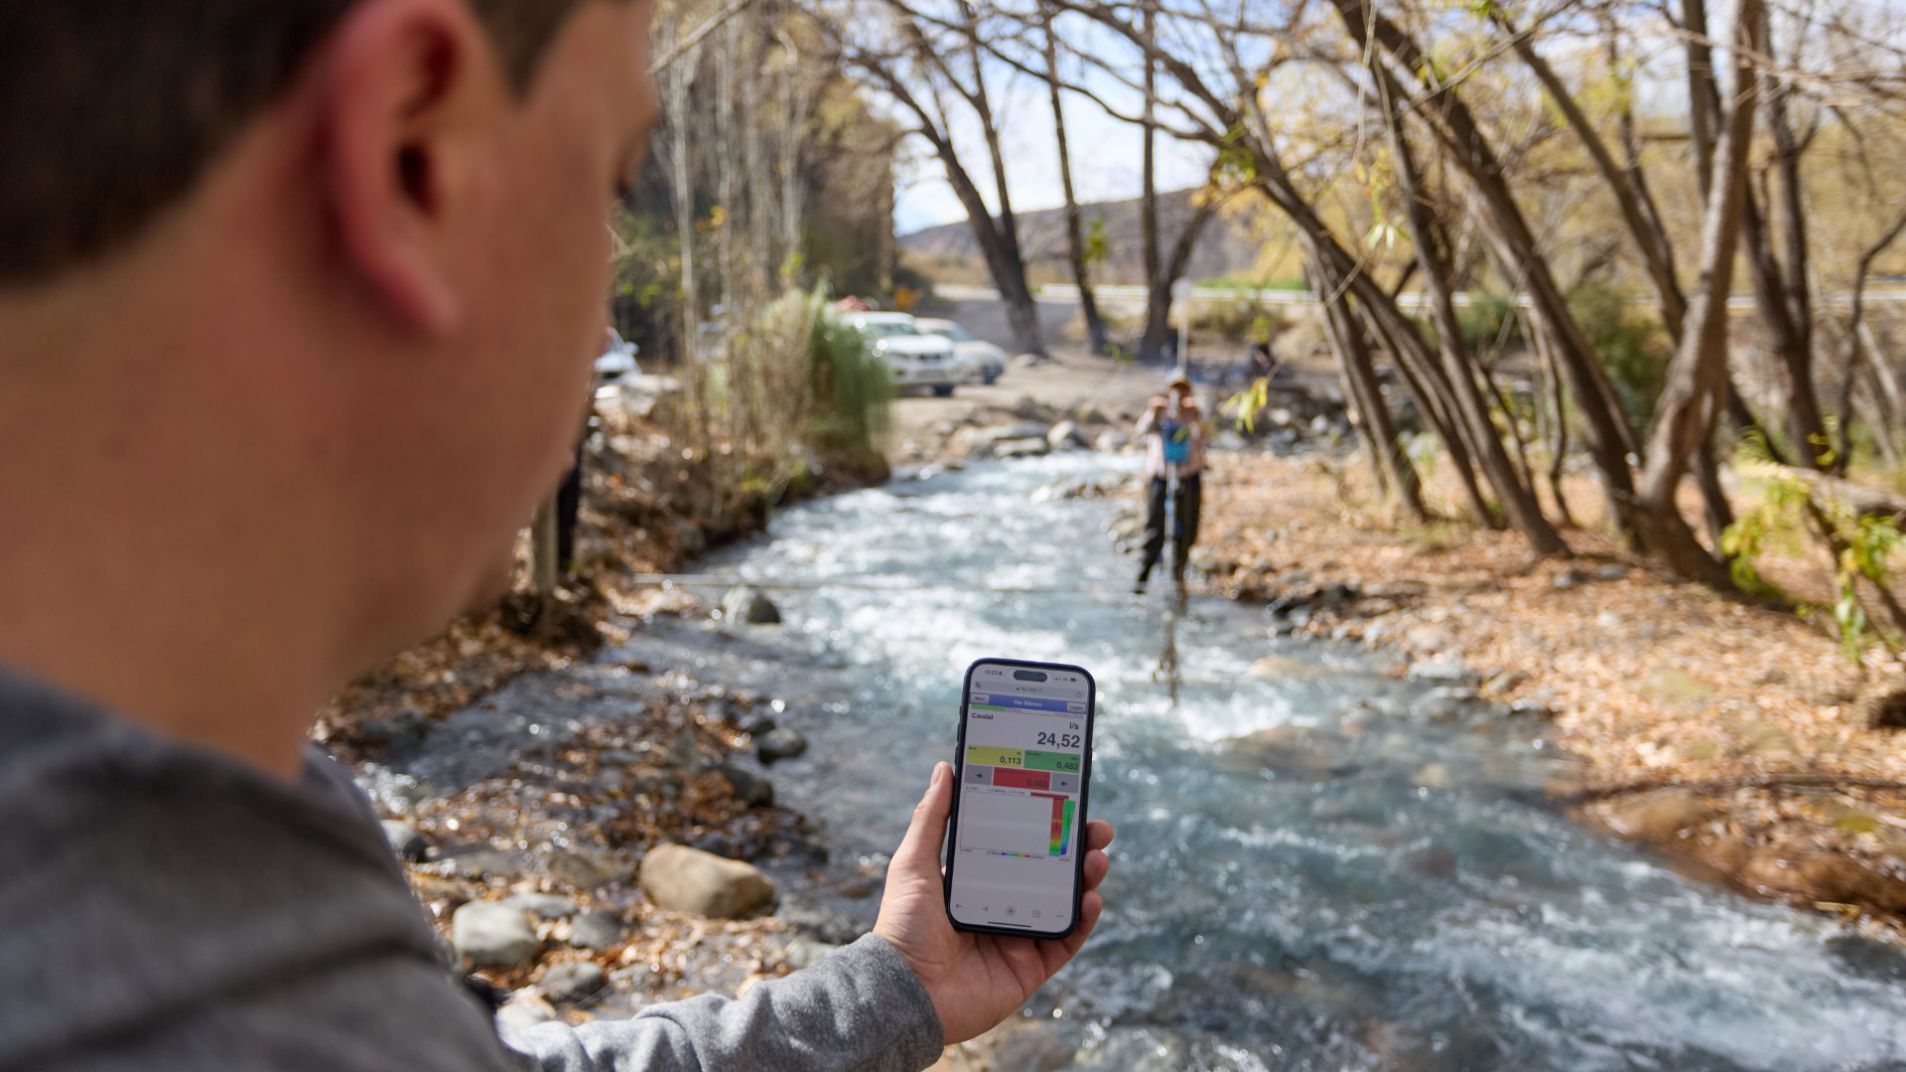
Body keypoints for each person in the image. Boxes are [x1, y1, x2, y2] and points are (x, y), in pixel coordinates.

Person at [0, 3, 1113, 1071]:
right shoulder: (203, 1000)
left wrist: (893, 991)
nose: (604, 326)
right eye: (609, 179)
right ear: (411, 152)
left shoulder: (210, 876)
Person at [1134, 378, 1208, 592]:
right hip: (1161, 476)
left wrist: (1197, 418)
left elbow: (1205, 437)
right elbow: (1140, 433)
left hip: (1188, 476)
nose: (1180, 394)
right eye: (1176, 389)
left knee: (1186, 527)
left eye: (1184, 389)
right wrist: (1153, 413)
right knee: (1153, 526)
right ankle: (1142, 580)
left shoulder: (1194, 414)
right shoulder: (1159, 412)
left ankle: (1178, 577)